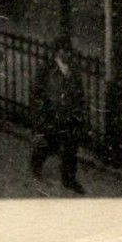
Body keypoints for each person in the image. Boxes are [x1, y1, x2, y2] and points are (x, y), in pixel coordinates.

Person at [31, 36, 88, 193]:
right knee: (48, 144)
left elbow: (80, 94)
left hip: (69, 116)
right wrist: (40, 115)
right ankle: (36, 166)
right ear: (57, 52)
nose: (68, 54)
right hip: (51, 114)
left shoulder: (73, 71)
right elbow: (37, 93)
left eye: (70, 51)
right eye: (65, 51)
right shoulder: (46, 69)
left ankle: (69, 179)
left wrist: (80, 113)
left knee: (71, 148)